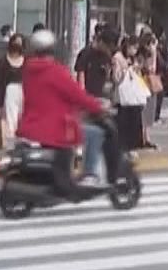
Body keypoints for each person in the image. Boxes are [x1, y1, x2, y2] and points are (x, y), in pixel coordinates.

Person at [17, 29, 112, 192]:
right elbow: (77, 95)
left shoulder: (28, 71)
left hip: (30, 126)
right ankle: (89, 174)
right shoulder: (55, 71)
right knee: (94, 134)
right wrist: (98, 107)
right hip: (57, 128)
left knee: (84, 134)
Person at [0, 34, 26, 150]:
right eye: (15, 42)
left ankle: (21, 147)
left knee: (23, 121)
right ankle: (11, 149)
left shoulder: (27, 61)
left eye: (20, 43)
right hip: (9, 94)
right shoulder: (3, 62)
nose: (17, 45)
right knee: (10, 123)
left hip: (24, 93)